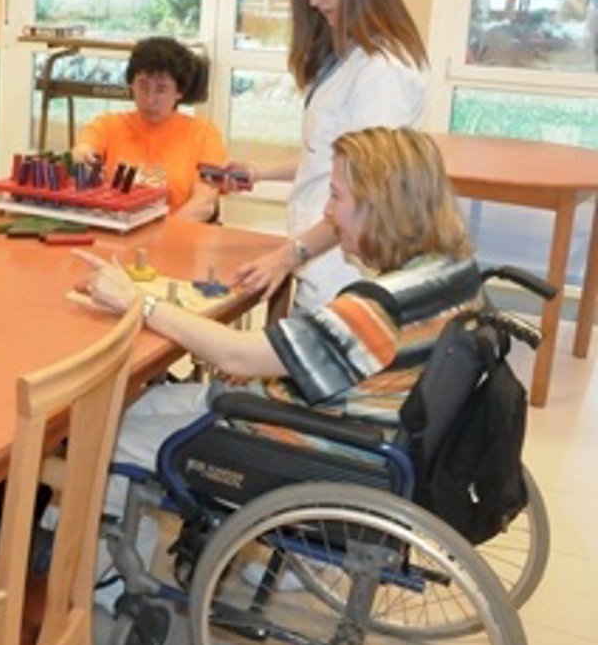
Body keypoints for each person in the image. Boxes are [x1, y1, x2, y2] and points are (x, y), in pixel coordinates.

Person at [75, 127, 483, 600]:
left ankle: (104, 582)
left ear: (379, 205)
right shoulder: (453, 271)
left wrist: (138, 302)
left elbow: (235, 353)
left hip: (308, 449)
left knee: (103, 438)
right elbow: (318, 358)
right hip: (365, 427)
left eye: (336, 196)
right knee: (140, 405)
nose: (327, 212)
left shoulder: (377, 308)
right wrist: (265, 365)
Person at [232, 0, 428, 312]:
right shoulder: (349, 57)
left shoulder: (382, 72)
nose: (314, 0)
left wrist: (288, 255)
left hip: (342, 274)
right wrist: (261, 173)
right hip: (319, 265)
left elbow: (365, 191)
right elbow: (326, 154)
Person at [71, 37, 226, 222]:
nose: (150, 99)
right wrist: (82, 155)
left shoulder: (204, 134)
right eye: (143, 86)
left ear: (179, 91)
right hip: (118, 229)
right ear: (131, 85)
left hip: (177, 232)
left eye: (161, 89)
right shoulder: (107, 125)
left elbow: (204, 205)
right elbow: (84, 149)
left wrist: (162, 234)